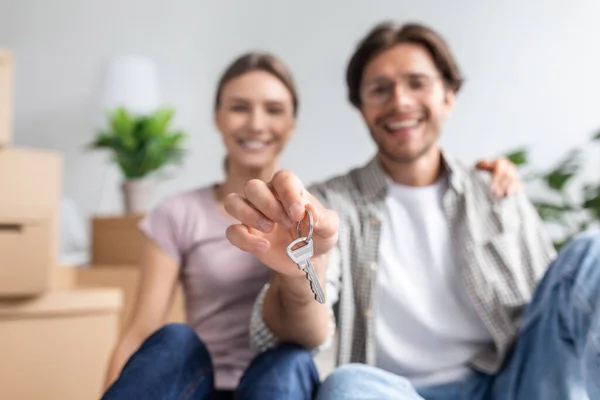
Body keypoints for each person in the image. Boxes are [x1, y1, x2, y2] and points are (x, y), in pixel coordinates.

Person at [224, 21, 600, 399]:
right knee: (348, 386)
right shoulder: (326, 207)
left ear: (448, 96)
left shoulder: (495, 190)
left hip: (515, 383)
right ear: (362, 108)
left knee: (592, 254)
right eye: (380, 89)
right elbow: (300, 335)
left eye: (417, 83)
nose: (400, 101)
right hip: (396, 392)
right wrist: (296, 277)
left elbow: (564, 305)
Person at [101, 52, 320, 400]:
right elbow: (141, 329)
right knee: (175, 338)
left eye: (274, 109)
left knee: (288, 359)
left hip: (278, 387)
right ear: (218, 117)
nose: (256, 123)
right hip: (199, 386)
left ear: (292, 124)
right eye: (239, 107)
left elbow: (320, 329)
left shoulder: (311, 219)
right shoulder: (178, 212)